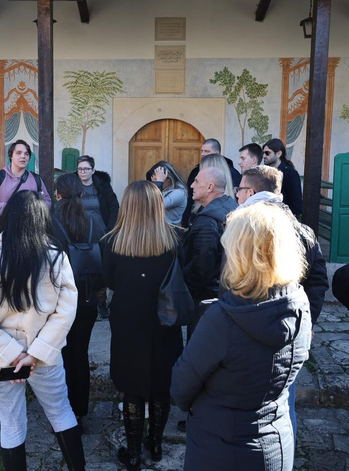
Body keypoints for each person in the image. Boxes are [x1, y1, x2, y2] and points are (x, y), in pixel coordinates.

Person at [171, 202, 311, 471]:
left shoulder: (223, 319)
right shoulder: (298, 303)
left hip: (220, 446)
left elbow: (181, 385)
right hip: (275, 442)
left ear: (239, 253)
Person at [0, 191, 85, 471]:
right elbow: (65, 311)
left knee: (11, 423)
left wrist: (10, 353)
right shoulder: (55, 255)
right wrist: (35, 353)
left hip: (1, 358)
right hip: (43, 356)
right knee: (61, 412)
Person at [235, 164, 329, 443]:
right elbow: (318, 282)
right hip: (291, 326)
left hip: (252, 327)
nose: (237, 195)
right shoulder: (305, 230)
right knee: (283, 395)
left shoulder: (246, 228)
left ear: (250, 192)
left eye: (239, 189)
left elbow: (315, 280)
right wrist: (307, 321)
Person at [100, 181, 183, 471]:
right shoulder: (173, 240)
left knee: (132, 386)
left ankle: (133, 452)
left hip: (128, 319)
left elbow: (109, 281)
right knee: (161, 383)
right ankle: (156, 444)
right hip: (164, 318)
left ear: (127, 207)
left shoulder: (111, 241)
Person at [51, 173, 106, 424]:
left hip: (57, 300)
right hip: (87, 297)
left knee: (60, 355)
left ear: (57, 194)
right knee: (80, 354)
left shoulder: (50, 222)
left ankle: (61, 413)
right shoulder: (94, 221)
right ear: (82, 194)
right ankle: (79, 411)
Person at [182, 167, 237, 311]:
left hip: (207, 300)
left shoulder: (207, 221)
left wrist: (185, 285)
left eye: (196, 181)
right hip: (224, 293)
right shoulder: (230, 205)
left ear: (210, 187)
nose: (192, 185)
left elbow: (201, 268)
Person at [76, 155, 119, 319]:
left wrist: (111, 229)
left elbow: (114, 206)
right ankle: (85, 301)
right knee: (83, 269)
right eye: (80, 169)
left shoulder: (102, 186)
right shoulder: (73, 186)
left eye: (86, 169)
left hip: (101, 235)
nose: (82, 172)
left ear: (93, 170)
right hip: (80, 236)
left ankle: (101, 303)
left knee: (101, 270)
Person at [0, 139, 52, 225]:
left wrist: (33, 209)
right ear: (11, 156)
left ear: (29, 158)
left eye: (26, 154)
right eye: (18, 153)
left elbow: (47, 202)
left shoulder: (36, 179)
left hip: (30, 228)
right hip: (5, 228)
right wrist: (11, 208)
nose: (23, 156)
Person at [181, 138, 241, 227]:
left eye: (207, 151)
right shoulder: (196, 170)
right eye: (202, 151)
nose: (202, 154)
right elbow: (190, 198)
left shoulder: (208, 219)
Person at [262, 138, 303, 218]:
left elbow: (297, 207)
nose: (264, 156)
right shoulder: (265, 172)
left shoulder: (290, 173)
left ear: (278, 154)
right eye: (263, 153)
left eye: (267, 153)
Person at [146, 160, 188, 226]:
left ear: (168, 178)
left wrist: (159, 182)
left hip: (169, 232)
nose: (153, 183)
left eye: (156, 179)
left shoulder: (179, 193)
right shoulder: (163, 189)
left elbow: (158, 204)